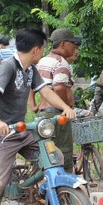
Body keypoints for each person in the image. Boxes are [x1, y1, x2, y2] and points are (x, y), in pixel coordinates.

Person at [0, 28, 76, 205]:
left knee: (55, 158)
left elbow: (46, 91)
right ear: (36, 49)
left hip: (20, 131)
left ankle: (32, 196)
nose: (43, 51)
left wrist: (66, 108)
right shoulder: (8, 67)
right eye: (42, 48)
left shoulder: (30, 69)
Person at [35, 28, 81, 173]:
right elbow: (60, 87)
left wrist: (33, 105)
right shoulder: (61, 63)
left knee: (47, 152)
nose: (74, 47)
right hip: (56, 114)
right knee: (64, 151)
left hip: (42, 114)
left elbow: (32, 85)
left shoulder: (43, 60)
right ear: (63, 44)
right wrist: (64, 108)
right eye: (72, 43)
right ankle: (65, 186)